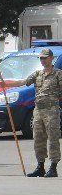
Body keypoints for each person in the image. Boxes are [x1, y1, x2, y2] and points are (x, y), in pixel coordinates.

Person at [23, 48, 62, 178]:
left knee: (53, 139)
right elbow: (24, 82)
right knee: (38, 138)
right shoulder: (37, 74)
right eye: (41, 58)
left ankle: (53, 167)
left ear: (51, 58)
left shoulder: (58, 74)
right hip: (38, 110)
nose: (43, 60)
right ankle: (40, 166)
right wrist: (6, 84)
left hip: (52, 110)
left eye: (45, 58)